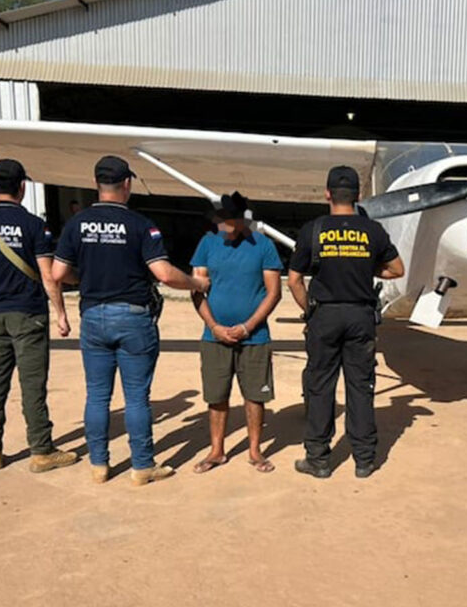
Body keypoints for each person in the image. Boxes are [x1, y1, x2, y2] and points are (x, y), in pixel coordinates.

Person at [52, 156, 210, 486]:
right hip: (133, 316)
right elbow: (164, 274)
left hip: (93, 315)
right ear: (127, 184)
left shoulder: (77, 224)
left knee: (97, 395)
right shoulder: (140, 225)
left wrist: (87, 278)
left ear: (96, 184)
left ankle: (99, 464)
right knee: (136, 396)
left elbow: (58, 273)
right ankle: (141, 465)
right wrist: (196, 283)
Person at [287, 166, 405, 479]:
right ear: (358, 195)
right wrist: (368, 267)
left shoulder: (313, 230)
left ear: (327, 194)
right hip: (360, 316)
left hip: (324, 316)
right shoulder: (373, 230)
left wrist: (309, 311)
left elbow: (295, 280)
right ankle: (364, 460)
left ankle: (318, 459)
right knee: (361, 387)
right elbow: (397, 269)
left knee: (320, 387)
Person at [0, 158, 77, 473]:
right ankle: (41, 451)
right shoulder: (34, 225)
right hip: (28, 314)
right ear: (22, 187)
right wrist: (61, 313)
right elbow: (48, 276)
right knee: (33, 385)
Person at [190, 192, 283, 474]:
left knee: (255, 395)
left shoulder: (264, 245)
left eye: (230, 221)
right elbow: (197, 288)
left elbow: (274, 292)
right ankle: (217, 450)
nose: (225, 226)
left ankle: (255, 450)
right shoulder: (207, 243)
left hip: (255, 337)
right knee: (216, 395)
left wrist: (248, 326)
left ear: (243, 220)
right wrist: (214, 326)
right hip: (214, 336)